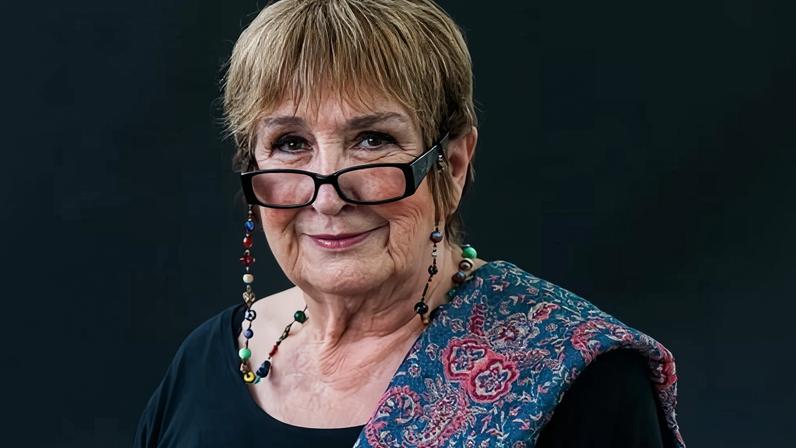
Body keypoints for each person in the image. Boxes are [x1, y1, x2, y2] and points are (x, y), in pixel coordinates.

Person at [135, 0, 686, 446]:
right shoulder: (208, 361)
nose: (328, 197)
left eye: (372, 140)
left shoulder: (577, 381)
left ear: (452, 163)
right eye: (290, 144)